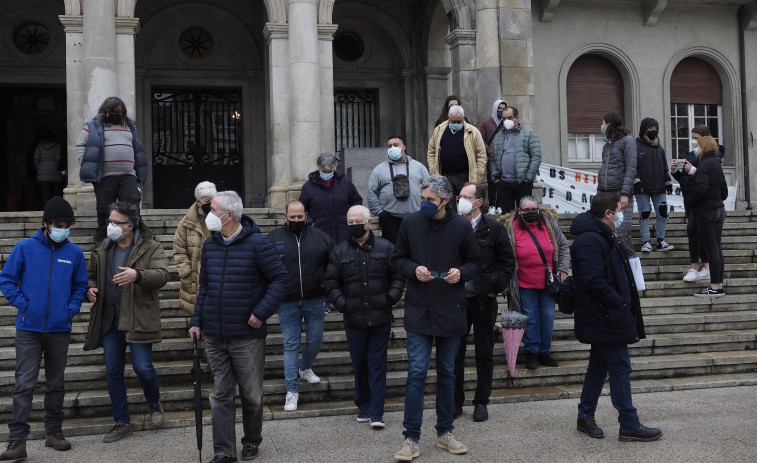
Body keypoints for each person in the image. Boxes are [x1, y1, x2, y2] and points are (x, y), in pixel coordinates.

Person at [188, 191, 289, 463]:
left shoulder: (258, 244)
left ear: (229, 215)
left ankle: (252, 440)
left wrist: (261, 312)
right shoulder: (210, 245)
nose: (209, 213)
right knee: (220, 394)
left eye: (214, 209)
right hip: (215, 334)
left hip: (247, 336)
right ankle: (224, 451)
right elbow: (205, 287)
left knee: (252, 396)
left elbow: (280, 280)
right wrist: (196, 320)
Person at [392, 175, 481, 461]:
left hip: (450, 308)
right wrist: (413, 269)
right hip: (419, 308)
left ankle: (445, 432)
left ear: (445, 200)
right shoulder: (410, 223)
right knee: (416, 372)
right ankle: (411, 437)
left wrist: (461, 273)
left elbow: (476, 262)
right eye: (423, 199)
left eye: (430, 200)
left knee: (447, 373)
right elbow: (396, 259)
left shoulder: (460, 226)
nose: (425, 204)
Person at [570, 191, 662, 442]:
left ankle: (585, 416)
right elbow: (591, 280)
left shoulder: (603, 235)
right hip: (605, 314)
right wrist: (618, 302)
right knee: (620, 367)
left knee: (598, 368)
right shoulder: (590, 240)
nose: (621, 215)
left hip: (607, 313)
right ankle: (629, 423)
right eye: (619, 210)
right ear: (608, 214)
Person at [0, 197, 87, 460]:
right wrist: (23, 305)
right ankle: (17, 440)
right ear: (46, 224)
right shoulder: (25, 248)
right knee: (24, 384)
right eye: (58, 223)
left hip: (59, 329)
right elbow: (6, 280)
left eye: (66, 224)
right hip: (29, 329)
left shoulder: (75, 253)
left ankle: (54, 432)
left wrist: (70, 309)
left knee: (56, 384)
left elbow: (80, 286)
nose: (63, 228)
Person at [83, 201, 169, 443]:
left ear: (130, 226)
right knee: (113, 371)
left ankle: (154, 404)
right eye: (109, 221)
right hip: (109, 319)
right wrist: (90, 289)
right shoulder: (102, 247)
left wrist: (138, 275)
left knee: (143, 367)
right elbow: (89, 275)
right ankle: (122, 422)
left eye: (116, 222)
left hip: (138, 318)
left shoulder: (151, 247)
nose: (110, 226)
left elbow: (163, 275)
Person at [324, 205, 405, 429]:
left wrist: (390, 298)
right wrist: (343, 304)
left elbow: (398, 276)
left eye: (358, 221)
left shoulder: (386, 247)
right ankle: (364, 405)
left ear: (369, 222)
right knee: (360, 364)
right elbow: (331, 281)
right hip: (354, 318)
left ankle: (377, 412)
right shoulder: (340, 251)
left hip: (380, 316)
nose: (354, 226)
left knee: (377, 364)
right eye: (350, 222)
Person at [452, 182, 515, 422]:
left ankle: (481, 401)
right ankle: (456, 401)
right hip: (457, 299)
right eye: (460, 195)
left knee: (484, 351)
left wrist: (493, 287)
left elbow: (507, 262)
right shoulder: (453, 225)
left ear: (479, 202)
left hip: (483, 299)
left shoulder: (493, 229)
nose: (462, 200)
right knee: (454, 353)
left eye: (467, 196)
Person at [268, 200, 334, 412]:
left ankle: (304, 367)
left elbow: (333, 264)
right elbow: (264, 267)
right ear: (285, 216)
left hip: (315, 298)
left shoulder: (321, 237)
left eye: (300, 217)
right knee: (290, 344)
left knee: (316, 339)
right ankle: (292, 391)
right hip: (286, 301)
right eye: (292, 217)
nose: (296, 220)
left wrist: (327, 287)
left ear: (306, 216)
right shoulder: (273, 239)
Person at [500, 196, 569, 370]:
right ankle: (531, 351)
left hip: (548, 282)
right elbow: (505, 256)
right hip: (523, 283)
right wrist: (506, 284)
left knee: (547, 317)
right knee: (530, 318)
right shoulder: (511, 228)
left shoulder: (549, 224)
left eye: (534, 210)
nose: (531, 213)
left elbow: (562, 245)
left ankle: (544, 351)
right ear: (519, 211)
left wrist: (563, 269)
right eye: (527, 210)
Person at [76, 97, 147, 230]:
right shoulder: (93, 126)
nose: (116, 114)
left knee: (132, 208)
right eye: (113, 111)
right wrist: (85, 162)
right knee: (104, 211)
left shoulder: (130, 126)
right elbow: (81, 144)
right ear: (105, 111)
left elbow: (137, 149)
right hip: (104, 176)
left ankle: (137, 239)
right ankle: (103, 242)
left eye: (119, 112)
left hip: (128, 175)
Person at [671, 125, 723, 282]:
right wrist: (675, 172)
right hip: (693, 201)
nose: (693, 142)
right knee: (694, 232)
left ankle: (704, 271)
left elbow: (712, 181)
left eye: (696, 138)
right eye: (692, 138)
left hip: (703, 204)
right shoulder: (693, 154)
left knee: (700, 234)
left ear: (706, 138)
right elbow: (686, 180)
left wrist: (695, 171)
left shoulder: (713, 156)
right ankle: (704, 269)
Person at [366, 135, 429, 244]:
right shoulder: (379, 169)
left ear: (403, 147)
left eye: (396, 145)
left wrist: (424, 209)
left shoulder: (419, 167)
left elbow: (429, 188)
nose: (392, 148)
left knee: (415, 247)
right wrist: (380, 213)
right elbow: (371, 192)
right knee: (392, 251)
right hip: (389, 219)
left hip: (415, 216)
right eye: (389, 146)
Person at [687, 136, 728, 298]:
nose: (696, 149)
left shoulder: (703, 165)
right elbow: (724, 191)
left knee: (712, 250)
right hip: (719, 209)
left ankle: (715, 287)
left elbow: (701, 190)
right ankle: (719, 284)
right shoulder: (717, 165)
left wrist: (691, 202)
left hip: (706, 212)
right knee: (717, 249)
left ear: (703, 147)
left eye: (698, 146)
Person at [173, 181, 217, 314]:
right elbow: (179, 249)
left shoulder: (220, 219)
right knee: (197, 317)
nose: (210, 203)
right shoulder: (186, 223)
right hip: (194, 278)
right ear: (198, 202)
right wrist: (186, 271)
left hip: (216, 273)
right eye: (207, 200)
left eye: (213, 200)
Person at [299, 152, 363, 243]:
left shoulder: (346, 183)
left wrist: (352, 217)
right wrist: (310, 221)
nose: (327, 174)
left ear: (334, 168)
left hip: (344, 231)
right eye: (324, 172)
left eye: (330, 171)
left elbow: (357, 201)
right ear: (319, 168)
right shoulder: (308, 186)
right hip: (319, 232)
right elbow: (302, 208)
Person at [597, 112, 637, 257]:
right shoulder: (607, 146)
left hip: (620, 193)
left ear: (610, 125)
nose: (601, 127)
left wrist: (625, 193)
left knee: (622, 232)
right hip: (605, 194)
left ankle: (633, 271)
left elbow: (631, 168)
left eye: (603, 124)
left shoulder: (628, 141)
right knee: (607, 232)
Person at [489, 106, 542, 214]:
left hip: (522, 182)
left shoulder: (530, 134)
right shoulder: (498, 137)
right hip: (503, 183)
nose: (506, 121)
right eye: (504, 119)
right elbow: (493, 158)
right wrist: (496, 178)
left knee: (526, 213)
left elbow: (536, 157)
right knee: (506, 216)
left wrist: (528, 178)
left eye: (509, 117)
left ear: (516, 118)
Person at [427, 105, 487, 198]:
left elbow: (481, 155)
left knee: (466, 205)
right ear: (448, 118)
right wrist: (433, 170)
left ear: (464, 118)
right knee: (448, 206)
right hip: (445, 176)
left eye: (459, 121)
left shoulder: (473, 132)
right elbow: (431, 151)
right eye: (453, 121)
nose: (456, 124)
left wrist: (478, 175)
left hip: (465, 176)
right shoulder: (439, 130)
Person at [634, 117, 674, 253]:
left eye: (655, 129)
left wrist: (668, 183)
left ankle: (660, 241)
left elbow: (664, 168)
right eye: (650, 128)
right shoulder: (636, 145)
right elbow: (633, 167)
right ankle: (646, 242)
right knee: (644, 213)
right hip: (642, 188)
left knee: (663, 212)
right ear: (644, 129)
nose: (653, 131)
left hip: (659, 187)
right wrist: (637, 182)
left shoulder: (659, 148)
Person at [479, 100, 508, 214]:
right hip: (491, 158)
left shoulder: (507, 123)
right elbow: (481, 139)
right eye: (499, 108)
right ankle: (492, 204)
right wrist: (489, 150)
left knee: (503, 181)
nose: (501, 111)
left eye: (503, 108)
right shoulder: (486, 123)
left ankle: (500, 204)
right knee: (492, 182)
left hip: (504, 158)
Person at [34, 127, 63, 206]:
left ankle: (46, 210)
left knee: (45, 195)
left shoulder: (39, 146)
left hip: (42, 174)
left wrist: (38, 169)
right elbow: (58, 158)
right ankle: (56, 210)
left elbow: (36, 158)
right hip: (54, 173)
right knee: (56, 194)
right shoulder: (57, 146)